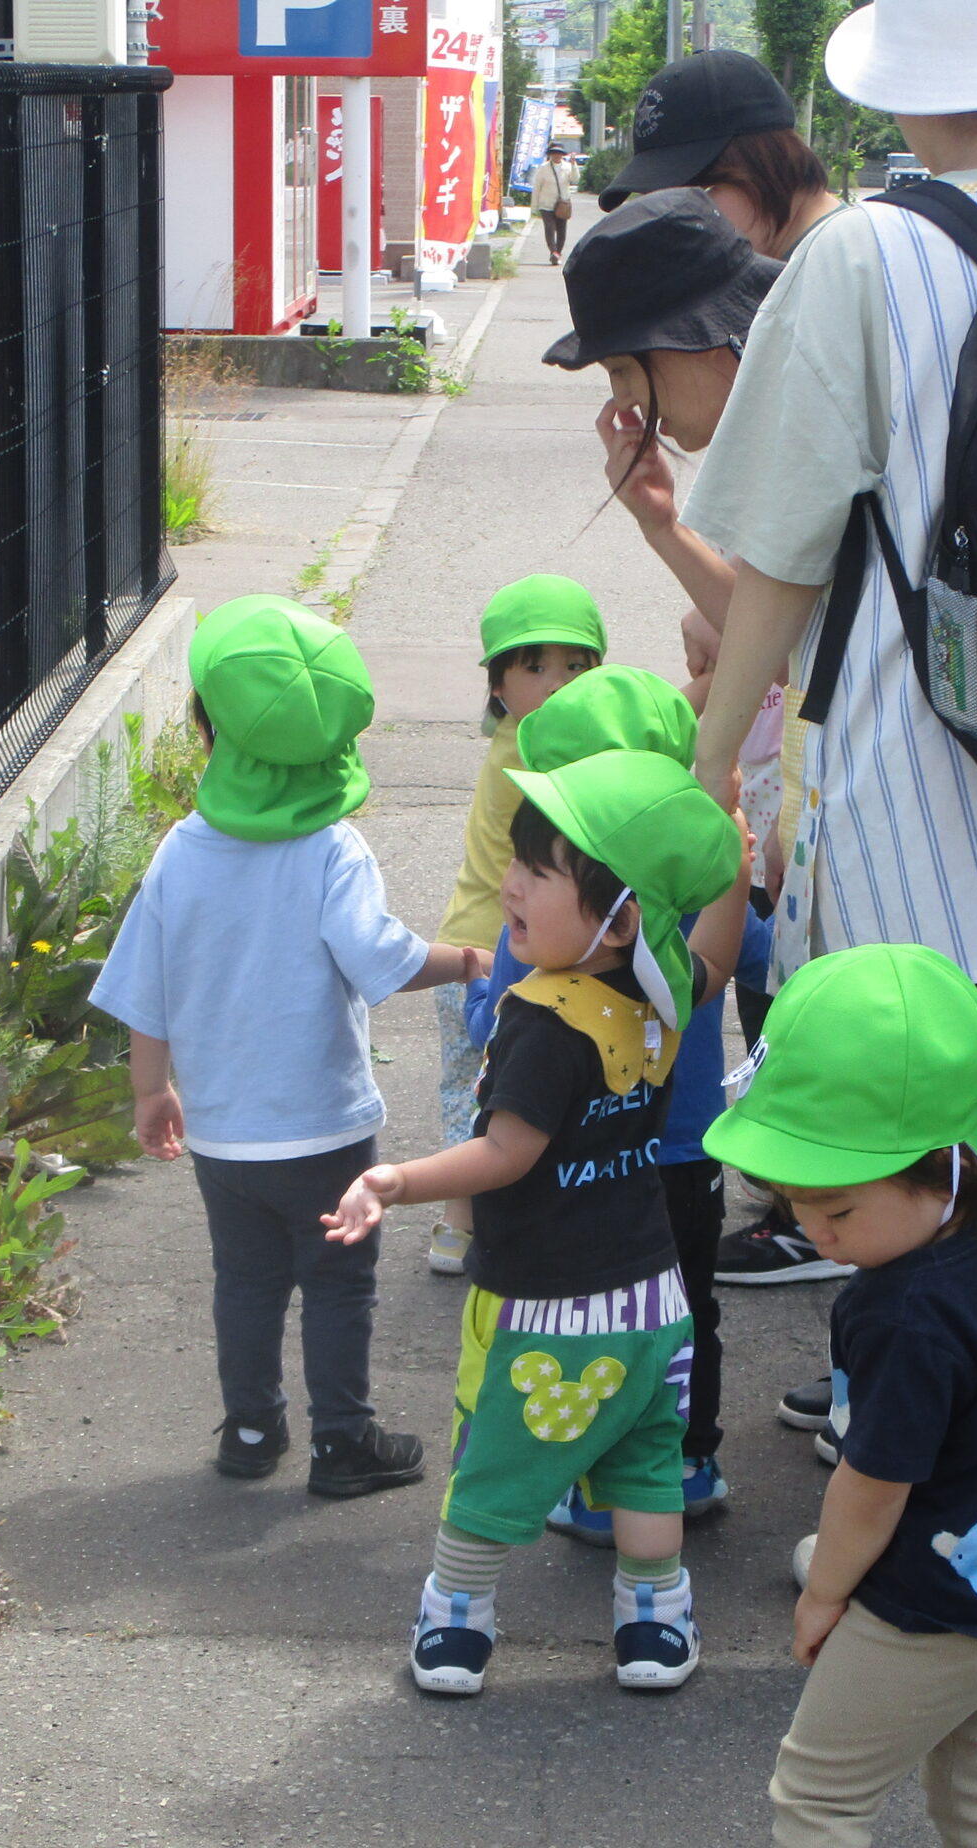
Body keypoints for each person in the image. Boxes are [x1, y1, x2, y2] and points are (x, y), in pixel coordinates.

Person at [682, 0, 977, 1402]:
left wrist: (709, 766)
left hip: (900, 770)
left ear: (908, 86)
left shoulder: (863, 251)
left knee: (896, 1118)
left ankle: (904, 1411)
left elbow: (781, 549)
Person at [324, 750, 752, 1697]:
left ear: (618, 918)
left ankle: (457, 1617)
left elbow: (506, 1152)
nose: (511, 885)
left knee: (495, 1460)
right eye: (516, 860)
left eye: (538, 870)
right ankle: (655, 1619)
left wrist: (394, 1180)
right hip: (652, 1300)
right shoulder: (658, 992)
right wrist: (735, 861)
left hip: (544, 1309)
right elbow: (718, 960)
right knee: (645, 1464)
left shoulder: (545, 1020)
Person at [704, 943, 977, 1848]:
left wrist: (823, 1593)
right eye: (792, 1198)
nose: (815, 1229)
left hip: (929, 1604)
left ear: (935, 1164)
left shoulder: (903, 1312)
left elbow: (870, 1485)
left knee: (819, 1800)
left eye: (838, 1202)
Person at [92, 597, 485, 1497]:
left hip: (222, 1135)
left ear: (207, 732)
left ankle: (250, 1427)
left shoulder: (181, 851)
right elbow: (379, 958)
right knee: (339, 1283)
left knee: (246, 1280)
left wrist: (151, 1091)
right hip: (322, 1128)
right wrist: (464, 959)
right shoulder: (331, 850)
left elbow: (145, 985)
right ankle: (341, 1442)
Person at [545, 189, 856, 1296]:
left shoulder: (811, 419)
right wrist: (661, 521)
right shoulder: (793, 401)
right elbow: (785, 629)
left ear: (689, 341)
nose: (626, 403)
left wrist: (710, 771)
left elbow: (785, 632)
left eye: (624, 371)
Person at [458, 667, 774, 1537]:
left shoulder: (547, 931)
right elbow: (743, 959)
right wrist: (733, 861)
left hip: (578, 1175)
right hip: (687, 1155)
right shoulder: (679, 910)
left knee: (579, 1318)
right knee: (684, 1312)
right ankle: (685, 1462)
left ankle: (587, 1474)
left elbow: (495, 1031)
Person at [427, 575, 606, 1278]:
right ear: (498, 686)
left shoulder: (527, 736)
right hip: (491, 950)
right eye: (535, 667)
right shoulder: (532, 749)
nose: (557, 683)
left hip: (498, 941)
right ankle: (462, 1215)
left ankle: (468, 1217)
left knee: (494, 1086)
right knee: (487, 1086)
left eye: (576, 666)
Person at [596, 49, 844, 262]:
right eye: (656, 203)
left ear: (764, 163)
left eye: (692, 196)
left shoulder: (842, 263)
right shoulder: (784, 266)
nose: (678, 223)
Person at [528, 142, 580, 265]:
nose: (557, 155)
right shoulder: (543, 168)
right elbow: (537, 187)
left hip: (562, 204)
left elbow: (575, 179)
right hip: (546, 204)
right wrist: (534, 206)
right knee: (549, 228)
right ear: (550, 155)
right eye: (554, 153)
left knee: (561, 230)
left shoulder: (567, 167)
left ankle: (558, 252)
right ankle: (553, 252)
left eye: (559, 153)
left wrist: (574, 165)